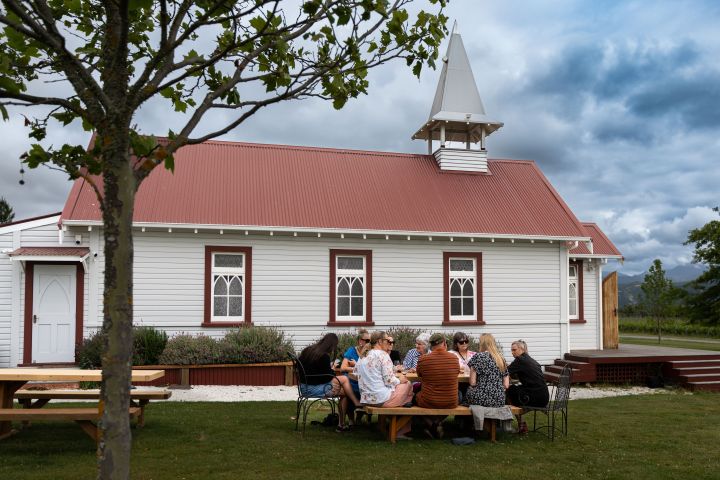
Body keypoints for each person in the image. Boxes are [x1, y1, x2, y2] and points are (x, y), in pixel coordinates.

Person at [356, 331, 414, 439]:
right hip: (380, 399)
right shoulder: (383, 355)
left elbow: (356, 372)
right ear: (379, 341)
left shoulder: (363, 356)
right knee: (409, 385)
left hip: (366, 398)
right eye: (387, 340)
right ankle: (399, 431)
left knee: (401, 390)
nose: (389, 343)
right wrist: (400, 380)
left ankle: (387, 426)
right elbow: (389, 380)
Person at [298, 333, 361, 432]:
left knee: (344, 382)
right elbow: (327, 377)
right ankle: (342, 423)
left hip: (304, 387)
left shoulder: (308, 350)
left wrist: (329, 368)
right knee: (344, 388)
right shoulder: (324, 356)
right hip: (315, 388)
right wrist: (332, 368)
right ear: (332, 345)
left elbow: (315, 371)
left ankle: (346, 418)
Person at [415, 333, 459, 438]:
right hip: (451, 401)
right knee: (459, 395)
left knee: (412, 398)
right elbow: (457, 372)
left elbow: (419, 375)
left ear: (430, 345)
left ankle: (430, 423)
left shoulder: (424, 359)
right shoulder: (454, 358)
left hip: (428, 401)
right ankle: (437, 422)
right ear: (444, 343)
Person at [465, 333, 509, 408]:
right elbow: (506, 385)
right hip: (499, 399)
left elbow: (472, 382)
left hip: (480, 398)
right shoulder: (501, 359)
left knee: (466, 392)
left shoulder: (478, 357)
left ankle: (464, 418)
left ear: (482, 344)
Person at [507, 340, 549, 408]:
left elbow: (504, 373)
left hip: (535, 398)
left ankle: (509, 416)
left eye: (514, 350)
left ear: (522, 349)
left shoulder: (520, 360)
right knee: (514, 388)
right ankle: (517, 417)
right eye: (511, 350)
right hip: (544, 398)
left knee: (509, 389)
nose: (512, 352)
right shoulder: (530, 360)